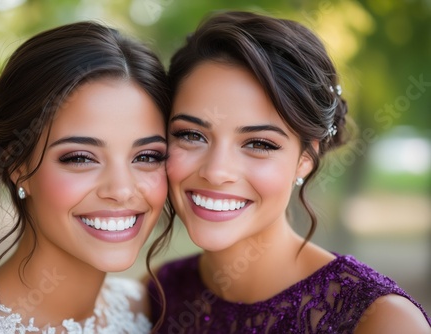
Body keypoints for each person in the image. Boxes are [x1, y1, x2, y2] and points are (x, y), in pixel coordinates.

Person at [147, 10, 431, 333]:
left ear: (306, 157)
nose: (216, 171)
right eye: (192, 135)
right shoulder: (157, 295)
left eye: (259, 143)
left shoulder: (381, 320)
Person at [0, 21, 172, 333]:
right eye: (80, 158)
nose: (122, 190)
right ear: (16, 164)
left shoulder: (140, 307)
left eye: (146, 157)